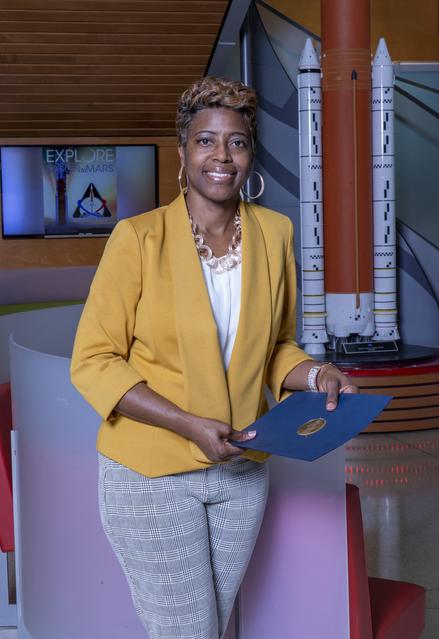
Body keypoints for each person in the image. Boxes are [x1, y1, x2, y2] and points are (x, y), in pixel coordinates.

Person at [70, 76, 357, 639]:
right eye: (206, 141)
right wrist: (187, 423)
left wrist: (318, 373)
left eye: (237, 142)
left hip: (241, 471)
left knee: (210, 628)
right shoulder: (137, 238)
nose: (222, 156)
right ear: (183, 153)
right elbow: (95, 359)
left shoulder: (275, 233)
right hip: (149, 472)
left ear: (250, 155)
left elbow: (276, 346)